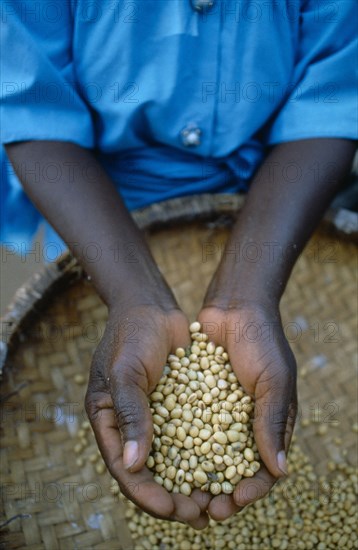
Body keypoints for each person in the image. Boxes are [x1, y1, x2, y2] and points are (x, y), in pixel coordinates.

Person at [1, 0, 357, 530]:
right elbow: (33, 108)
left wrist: (247, 294)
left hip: (275, 199)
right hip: (96, 208)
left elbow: (330, 100)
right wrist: (132, 296)